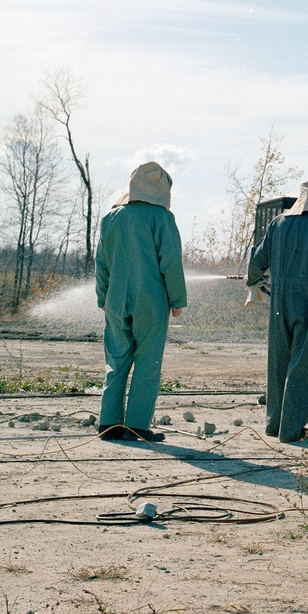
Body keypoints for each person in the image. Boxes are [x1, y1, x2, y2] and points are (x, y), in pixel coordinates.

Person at [95, 162, 188, 442]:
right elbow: (171, 262)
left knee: (116, 360)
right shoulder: (162, 218)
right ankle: (137, 425)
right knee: (148, 361)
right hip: (151, 301)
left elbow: (101, 264)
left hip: (115, 299)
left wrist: (103, 297)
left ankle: (109, 424)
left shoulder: (111, 218)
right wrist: (177, 299)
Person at [246, 179, 308, 443]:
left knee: (278, 362)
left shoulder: (278, 223)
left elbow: (257, 261)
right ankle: (291, 430)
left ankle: (274, 425)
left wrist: (251, 279)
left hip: (279, 304)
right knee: (304, 365)